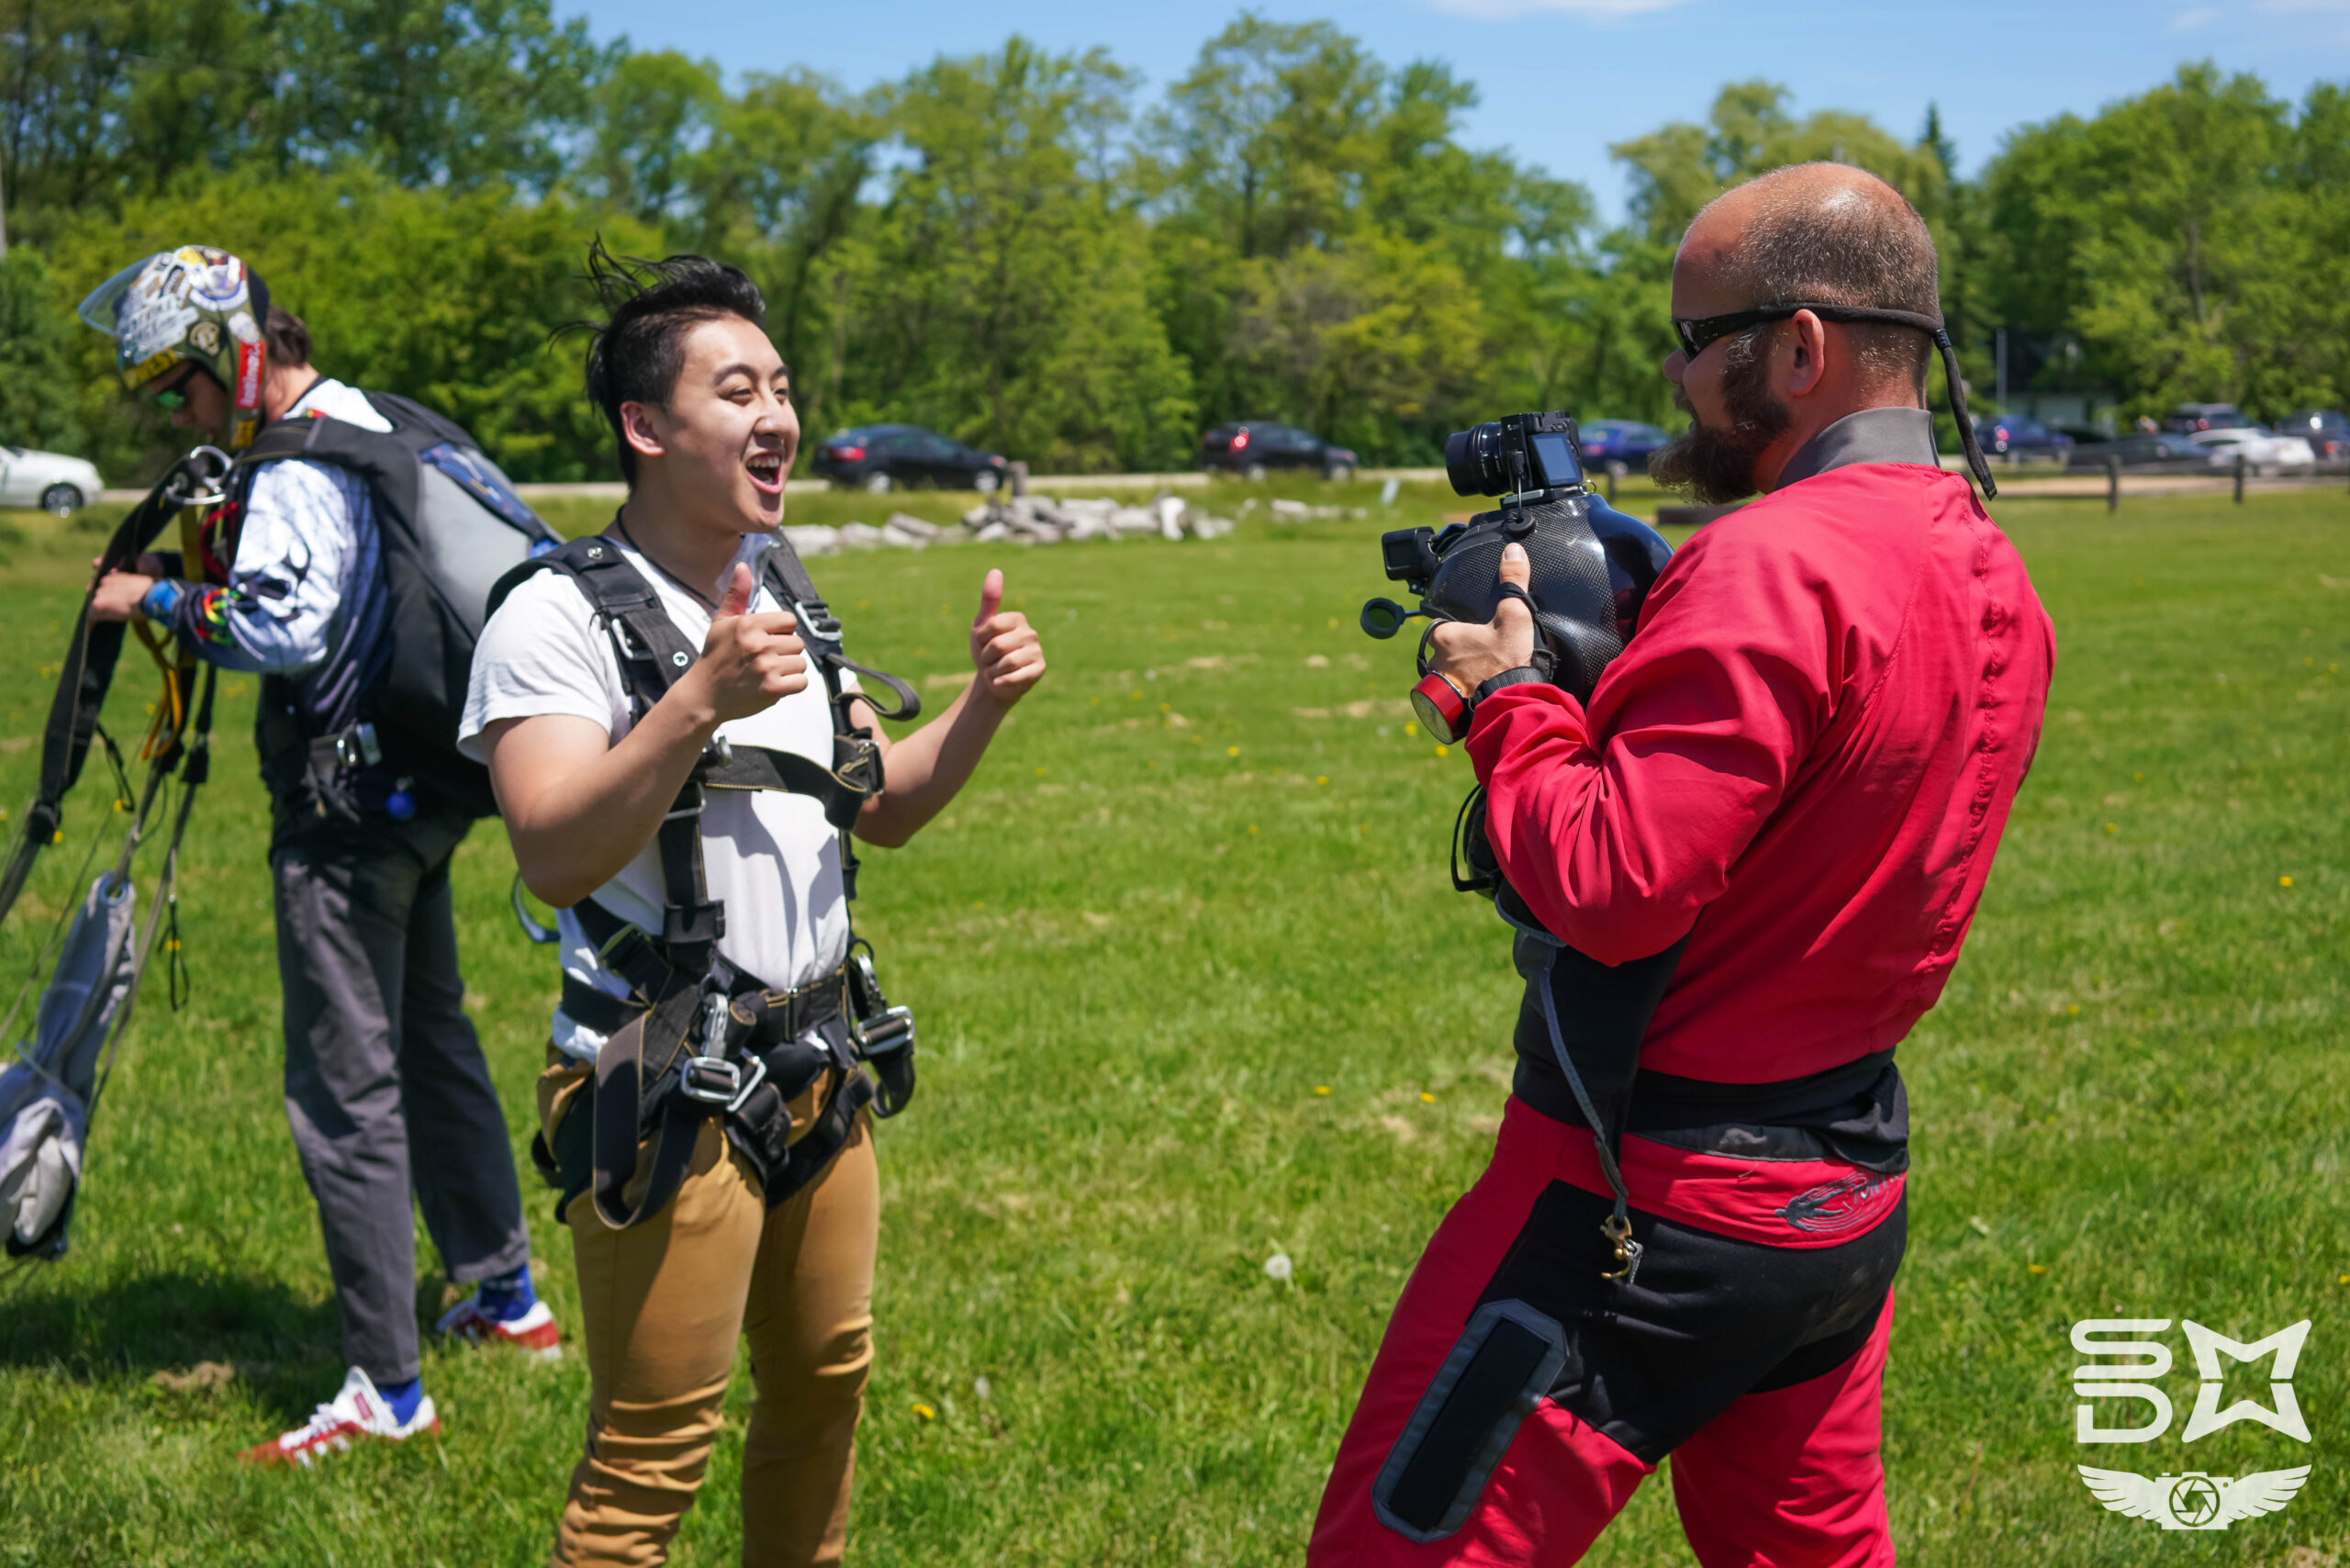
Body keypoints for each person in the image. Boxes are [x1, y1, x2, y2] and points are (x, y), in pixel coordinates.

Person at [1308, 164, 2055, 1565]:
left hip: (1634, 1201)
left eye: (1699, 342)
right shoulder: (1993, 564)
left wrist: (1505, 701)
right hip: (1842, 1191)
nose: (1676, 374)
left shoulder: (1771, 560)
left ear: (1799, 348)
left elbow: (1611, 885)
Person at [463, 245, 1045, 1566]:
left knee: (826, 1394)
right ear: (647, 425)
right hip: (665, 1083)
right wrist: (695, 700)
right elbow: (551, 853)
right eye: (739, 391)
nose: (778, 417)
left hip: (819, 1069)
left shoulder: (785, 591)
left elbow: (877, 803)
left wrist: (986, 702)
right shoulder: (554, 618)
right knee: (648, 1462)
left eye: (781, 387)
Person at [78, 246, 554, 1464]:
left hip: (346, 823)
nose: (170, 411)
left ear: (234, 357)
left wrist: (152, 603)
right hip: (429, 790)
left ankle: (385, 1392)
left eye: (176, 385)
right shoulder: (379, 420)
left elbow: (280, 626)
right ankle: (506, 1301)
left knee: (345, 1095)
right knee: (434, 1044)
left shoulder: (294, 463)